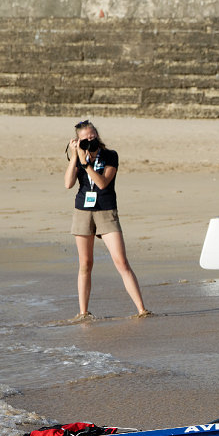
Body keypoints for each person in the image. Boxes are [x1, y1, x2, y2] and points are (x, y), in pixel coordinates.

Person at [64, 120, 150, 321]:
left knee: (121, 262)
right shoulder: (78, 157)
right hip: (83, 211)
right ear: (79, 140)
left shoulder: (110, 155)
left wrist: (86, 164)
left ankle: (141, 309)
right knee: (85, 263)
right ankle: (83, 312)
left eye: (93, 136)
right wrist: (74, 156)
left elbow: (102, 183)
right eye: (86, 138)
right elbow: (68, 184)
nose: (91, 140)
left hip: (106, 210)